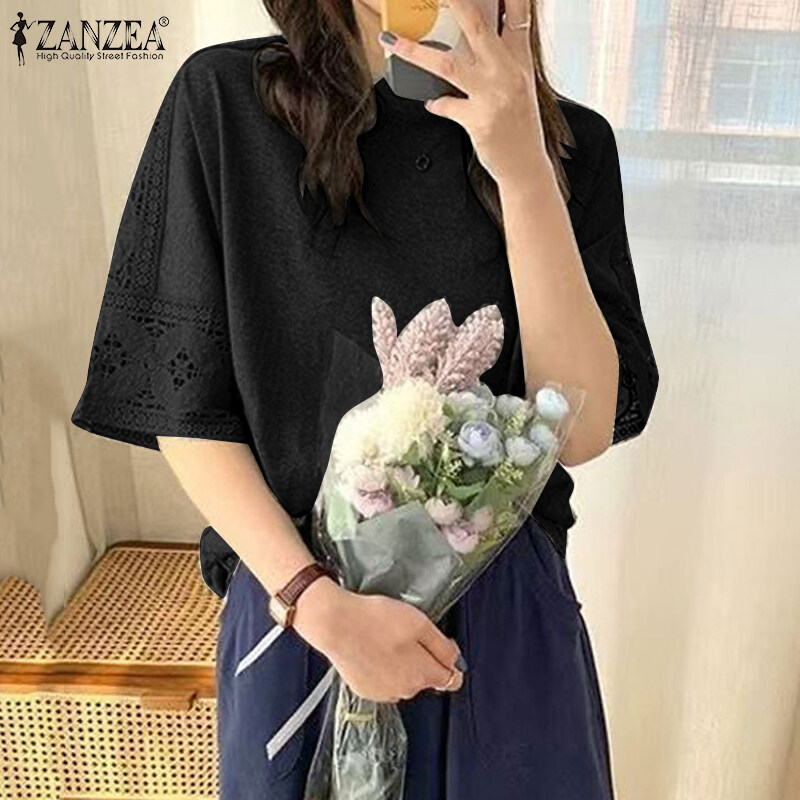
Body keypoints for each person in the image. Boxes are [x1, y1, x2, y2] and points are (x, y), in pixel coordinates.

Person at [70, 0, 659, 798]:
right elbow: (186, 404)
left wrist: (523, 170)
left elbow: (576, 427)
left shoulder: (569, 144)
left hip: (501, 629)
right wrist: (316, 604)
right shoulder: (227, 104)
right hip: (300, 611)